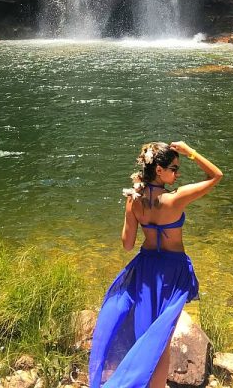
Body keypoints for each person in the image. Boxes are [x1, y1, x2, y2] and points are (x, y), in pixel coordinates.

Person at [88, 140, 223, 388]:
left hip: (145, 272)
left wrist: (132, 211)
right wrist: (190, 152)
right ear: (158, 170)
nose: (177, 173)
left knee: (147, 333)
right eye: (173, 167)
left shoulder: (134, 200)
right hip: (172, 274)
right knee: (161, 341)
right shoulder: (176, 199)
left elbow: (127, 244)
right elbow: (216, 175)